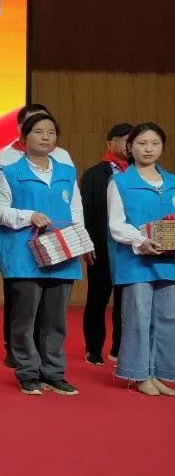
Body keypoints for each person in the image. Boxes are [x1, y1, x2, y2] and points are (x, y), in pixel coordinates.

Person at [0, 113, 85, 396]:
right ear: (24, 137)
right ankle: (28, 373)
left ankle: (54, 373)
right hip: (24, 255)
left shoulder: (67, 172)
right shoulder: (9, 171)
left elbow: (76, 211)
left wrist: (82, 242)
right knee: (25, 318)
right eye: (39, 131)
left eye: (51, 132)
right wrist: (28, 215)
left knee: (56, 320)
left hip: (62, 252)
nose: (46, 137)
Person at [107, 122, 175, 396]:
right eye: (142, 143)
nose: (149, 149)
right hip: (135, 261)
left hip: (169, 261)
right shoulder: (120, 182)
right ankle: (138, 375)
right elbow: (116, 224)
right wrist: (140, 241)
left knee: (167, 318)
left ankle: (158, 373)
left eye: (155, 143)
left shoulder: (172, 182)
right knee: (138, 317)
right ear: (130, 147)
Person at [80, 122, 132, 365]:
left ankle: (119, 347)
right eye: (123, 139)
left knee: (126, 299)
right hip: (101, 245)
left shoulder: (138, 173)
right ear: (110, 143)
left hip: (130, 247)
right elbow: (85, 212)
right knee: (97, 298)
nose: (128, 143)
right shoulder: (94, 174)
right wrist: (86, 243)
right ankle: (93, 348)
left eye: (132, 139)